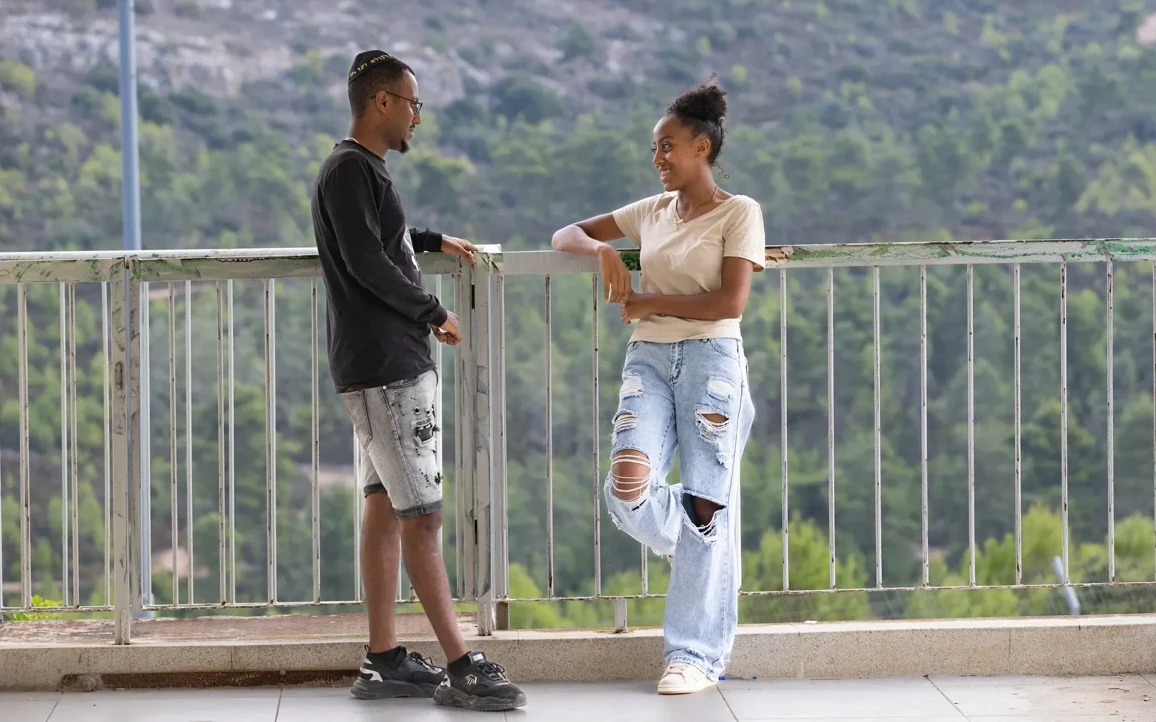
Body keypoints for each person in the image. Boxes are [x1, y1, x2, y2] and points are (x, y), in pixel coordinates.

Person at [310, 49, 526, 712]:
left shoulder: (359, 172)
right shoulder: (350, 169)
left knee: (383, 506)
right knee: (424, 520)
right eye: (411, 104)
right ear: (381, 102)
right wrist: (432, 312)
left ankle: (384, 661)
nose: (416, 119)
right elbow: (368, 261)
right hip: (388, 369)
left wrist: (433, 239)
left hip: (375, 368)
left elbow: (383, 241)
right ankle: (464, 667)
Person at [551, 80, 763, 695]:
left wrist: (643, 298)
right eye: (654, 148)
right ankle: (700, 544)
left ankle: (692, 656)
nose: (658, 159)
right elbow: (566, 232)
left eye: (668, 147)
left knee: (703, 503)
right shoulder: (651, 212)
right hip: (648, 359)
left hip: (712, 362)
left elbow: (730, 300)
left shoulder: (738, 212)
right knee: (628, 486)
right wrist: (603, 253)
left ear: (702, 147)